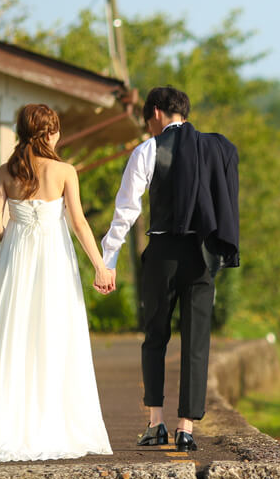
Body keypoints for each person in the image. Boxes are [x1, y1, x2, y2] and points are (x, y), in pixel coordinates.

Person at [0, 104, 113, 463]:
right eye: (55, 129)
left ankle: (6, 427)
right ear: (48, 133)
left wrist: (15, 246)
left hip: (14, 264)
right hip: (54, 263)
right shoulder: (64, 171)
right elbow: (79, 224)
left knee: (11, 339)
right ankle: (53, 425)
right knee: (54, 337)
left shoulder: (5, 172)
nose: (58, 134)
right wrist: (100, 267)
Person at [97, 86, 239, 452]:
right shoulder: (216, 148)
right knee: (197, 342)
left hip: (163, 252)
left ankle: (155, 423)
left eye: (148, 123)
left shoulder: (148, 150)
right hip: (203, 253)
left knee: (155, 337)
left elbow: (127, 210)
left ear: (156, 113)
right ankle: (187, 427)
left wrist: (107, 259)